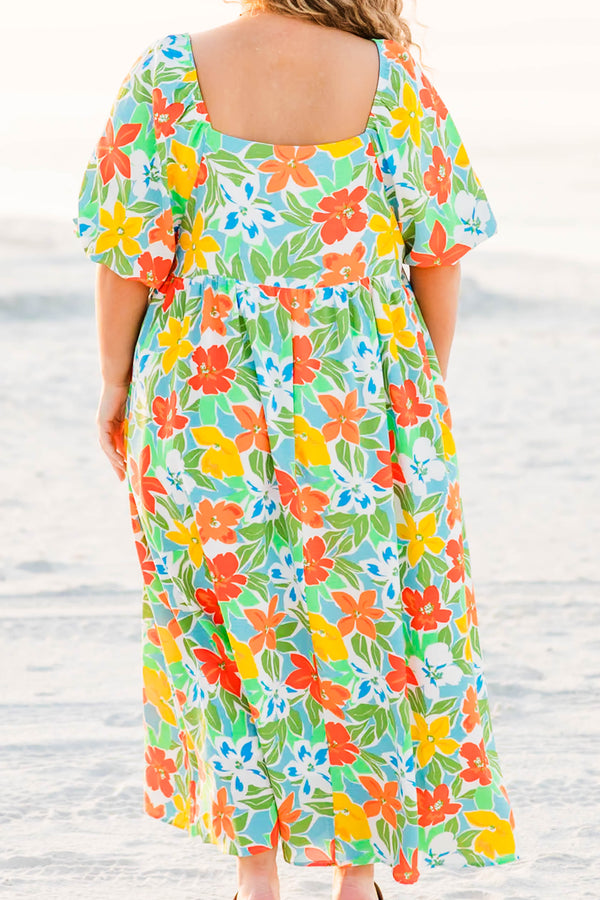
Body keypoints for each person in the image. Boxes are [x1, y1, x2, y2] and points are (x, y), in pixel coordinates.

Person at [73, 2, 519, 898]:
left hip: (201, 388)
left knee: (227, 623)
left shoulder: (169, 72)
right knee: (367, 622)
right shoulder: (392, 81)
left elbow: (127, 256)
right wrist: (418, 384)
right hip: (358, 390)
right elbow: (438, 253)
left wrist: (114, 383)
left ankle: (256, 876)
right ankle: (358, 878)